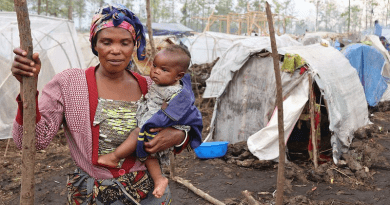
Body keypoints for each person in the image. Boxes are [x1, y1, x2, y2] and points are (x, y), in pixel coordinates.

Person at [11, 4, 202, 205]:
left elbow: (190, 122)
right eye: (106, 42)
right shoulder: (69, 83)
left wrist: (179, 136)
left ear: (134, 45)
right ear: (95, 44)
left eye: (125, 43)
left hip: (148, 193)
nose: (116, 50)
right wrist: (26, 87)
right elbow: (33, 140)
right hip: (91, 196)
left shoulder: (152, 86)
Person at [97, 44, 202, 199]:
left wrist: (169, 120)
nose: (156, 71)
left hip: (158, 128)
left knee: (137, 134)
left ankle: (114, 157)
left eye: (163, 69)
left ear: (178, 76)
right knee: (149, 157)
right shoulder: (160, 83)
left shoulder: (177, 92)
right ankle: (159, 179)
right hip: (153, 127)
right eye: (155, 66)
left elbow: (186, 113)